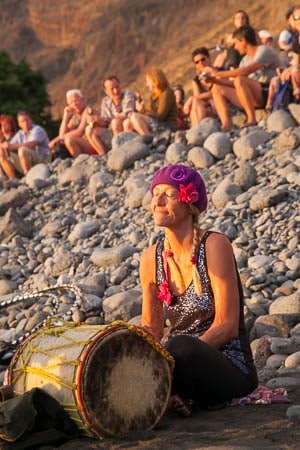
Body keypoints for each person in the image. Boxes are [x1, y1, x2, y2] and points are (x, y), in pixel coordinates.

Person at [141, 164, 258, 416]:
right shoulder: (151, 258)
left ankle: (172, 389)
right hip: (180, 363)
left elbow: (227, 327)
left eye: (169, 195)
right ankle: (177, 394)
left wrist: (171, 364)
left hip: (229, 366)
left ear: (189, 203)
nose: (157, 201)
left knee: (181, 346)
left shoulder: (215, 245)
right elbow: (152, 329)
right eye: (155, 193)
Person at [207, 25, 281, 130]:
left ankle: (251, 119)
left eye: (236, 43)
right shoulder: (245, 59)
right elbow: (236, 84)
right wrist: (215, 80)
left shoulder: (264, 51)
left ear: (244, 41)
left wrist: (217, 74)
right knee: (217, 88)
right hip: (252, 94)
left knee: (240, 79)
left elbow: (245, 71)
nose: (235, 48)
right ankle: (226, 125)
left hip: (268, 91)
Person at [84, 75, 136, 155]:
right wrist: (97, 121)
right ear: (106, 91)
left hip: (127, 130)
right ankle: (103, 154)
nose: (115, 91)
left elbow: (127, 114)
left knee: (115, 122)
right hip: (112, 132)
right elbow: (105, 122)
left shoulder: (128, 94)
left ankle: (120, 150)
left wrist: (106, 119)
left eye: (117, 87)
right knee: (88, 129)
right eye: (112, 89)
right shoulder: (105, 101)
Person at [123, 68, 177, 135]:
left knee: (134, 117)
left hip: (167, 127)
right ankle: (130, 143)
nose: (147, 85)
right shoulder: (153, 96)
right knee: (127, 122)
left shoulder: (167, 94)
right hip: (157, 124)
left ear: (155, 80)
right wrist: (141, 110)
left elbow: (160, 116)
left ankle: (149, 141)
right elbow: (150, 112)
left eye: (148, 81)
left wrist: (142, 110)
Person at [0, 111, 49, 179]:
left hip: (42, 159)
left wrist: (11, 146)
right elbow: (9, 145)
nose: (25, 123)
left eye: (27, 120)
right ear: (19, 124)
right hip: (27, 161)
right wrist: (3, 147)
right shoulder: (20, 133)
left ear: (31, 120)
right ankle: (13, 179)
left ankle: (28, 176)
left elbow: (31, 144)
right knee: (2, 155)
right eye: (22, 121)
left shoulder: (37, 129)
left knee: (22, 150)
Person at [49, 89, 91, 158]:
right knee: (61, 143)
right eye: (71, 103)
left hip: (91, 145)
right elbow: (62, 134)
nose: (74, 104)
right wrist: (65, 117)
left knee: (69, 139)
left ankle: (80, 161)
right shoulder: (75, 117)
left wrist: (58, 139)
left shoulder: (87, 110)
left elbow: (80, 131)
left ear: (83, 100)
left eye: (76, 100)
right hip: (83, 145)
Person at [182, 48, 216, 127]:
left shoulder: (218, 72)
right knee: (197, 103)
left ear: (209, 58)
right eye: (197, 62)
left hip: (219, 103)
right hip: (206, 106)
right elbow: (198, 98)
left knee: (195, 101)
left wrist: (191, 99)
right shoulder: (196, 81)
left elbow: (219, 91)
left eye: (203, 59)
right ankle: (197, 130)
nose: (200, 63)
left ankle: (196, 130)